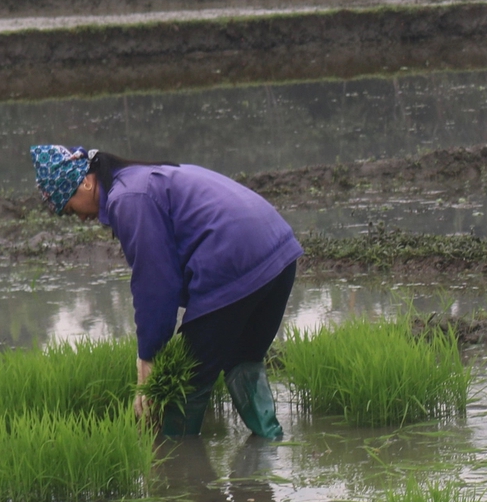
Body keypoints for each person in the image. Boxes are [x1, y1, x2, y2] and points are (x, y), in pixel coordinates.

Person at [30, 145, 302, 439]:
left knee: (180, 384)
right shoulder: (141, 179)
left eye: (71, 208)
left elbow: (156, 284)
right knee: (243, 359)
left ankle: (176, 472)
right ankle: (269, 448)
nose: (80, 218)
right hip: (279, 256)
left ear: (84, 181)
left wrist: (148, 359)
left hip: (233, 265)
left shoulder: (129, 197)